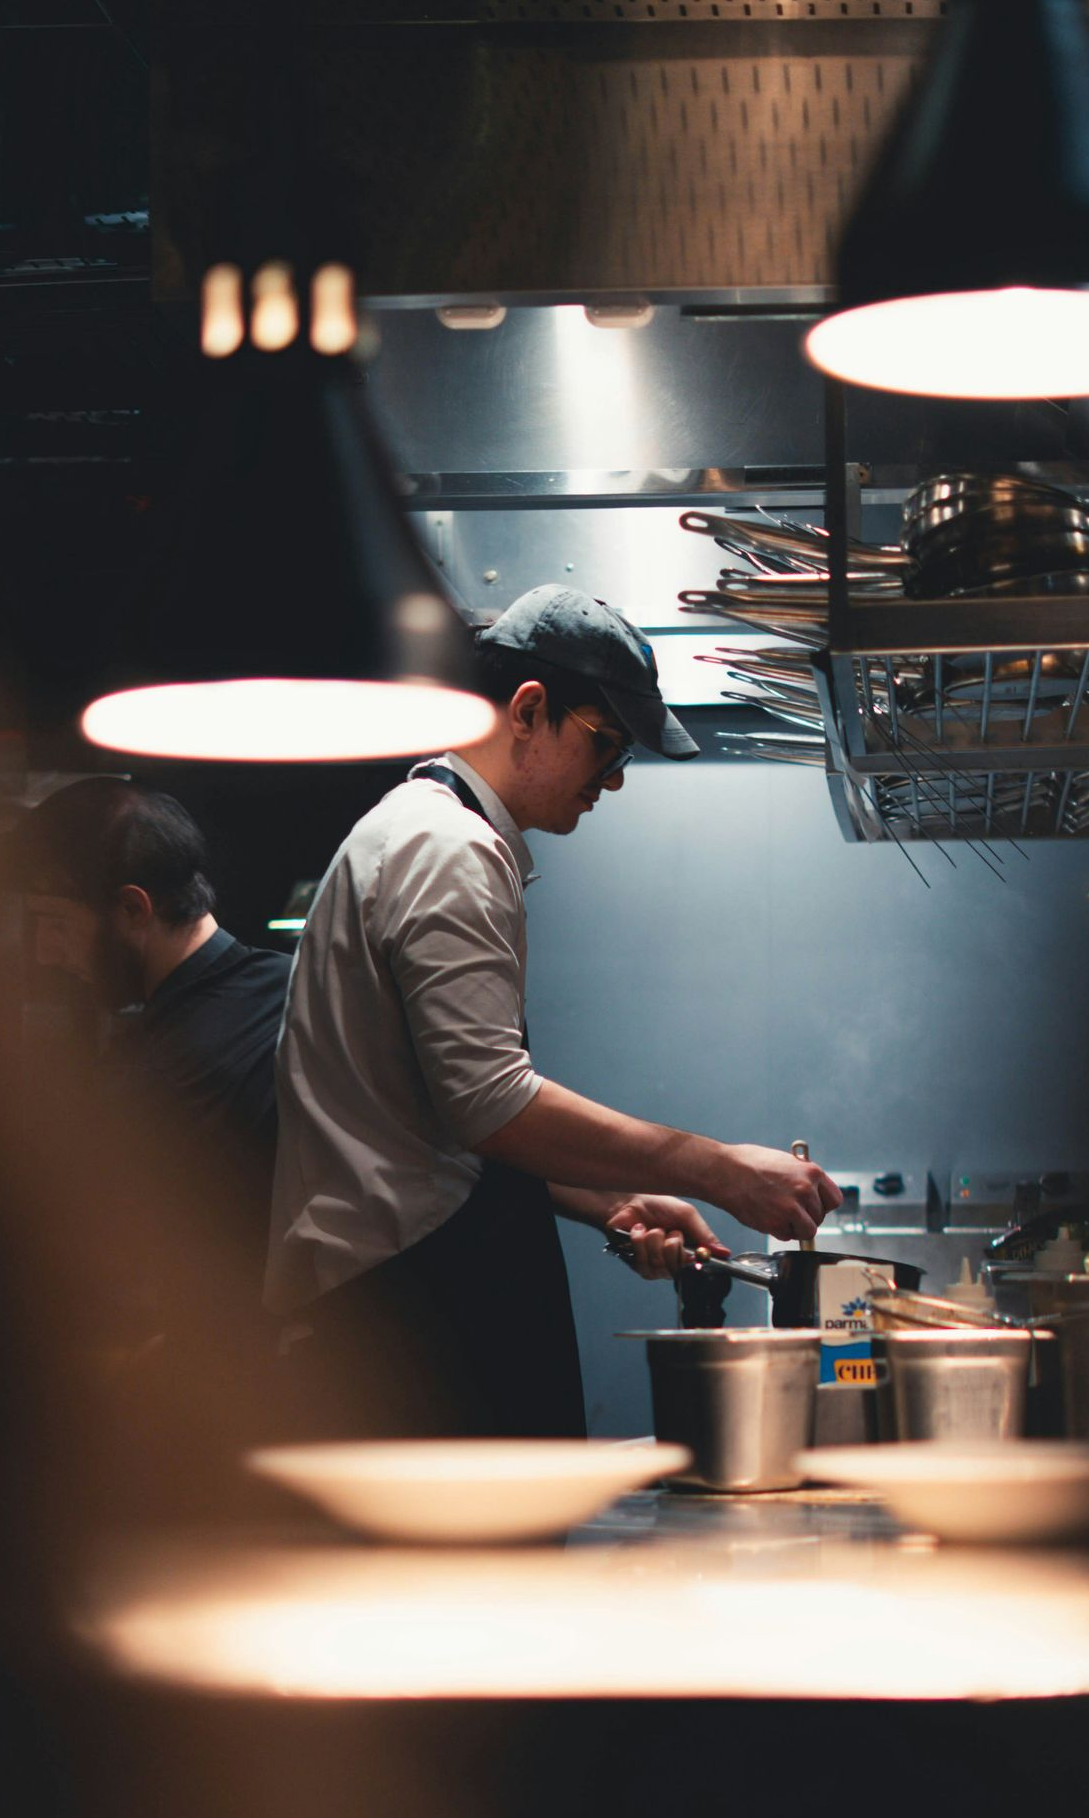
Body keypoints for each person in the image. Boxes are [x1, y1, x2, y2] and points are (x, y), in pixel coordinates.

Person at [269, 583, 843, 1437]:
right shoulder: (448, 848)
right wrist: (719, 1169)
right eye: (605, 745)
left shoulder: (441, 836)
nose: (612, 781)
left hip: (412, 1295)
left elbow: (442, 1117)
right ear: (529, 710)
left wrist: (614, 1199)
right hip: (400, 1320)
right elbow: (493, 1106)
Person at [17, 779, 290, 1249]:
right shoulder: (294, 984)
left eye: (55, 922)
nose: (44, 951)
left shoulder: (162, 1075)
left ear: (132, 907)